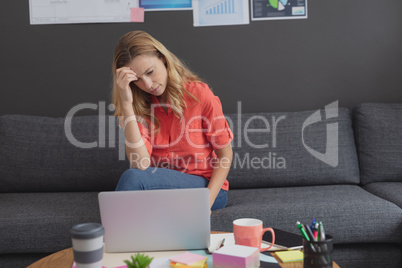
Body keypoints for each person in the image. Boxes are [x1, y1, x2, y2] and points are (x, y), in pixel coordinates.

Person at [111, 31, 233, 211]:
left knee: (133, 179)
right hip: (160, 189)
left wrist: (205, 203)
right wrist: (127, 106)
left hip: (205, 188)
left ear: (164, 59)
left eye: (150, 72)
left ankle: (108, 238)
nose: (148, 84)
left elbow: (225, 155)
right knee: (136, 182)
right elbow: (140, 164)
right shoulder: (140, 106)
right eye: (137, 80)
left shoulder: (199, 95)